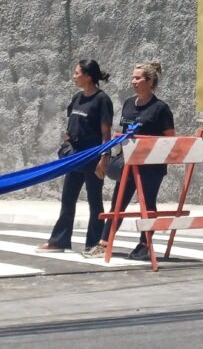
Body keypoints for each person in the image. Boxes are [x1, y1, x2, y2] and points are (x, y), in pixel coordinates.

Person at [84, 63, 174, 260]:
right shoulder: (128, 104)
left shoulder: (160, 109)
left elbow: (169, 140)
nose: (133, 81)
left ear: (150, 82)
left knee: (147, 205)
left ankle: (145, 244)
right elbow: (124, 134)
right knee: (117, 203)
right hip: (128, 164)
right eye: (133, 77)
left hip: (151, 168)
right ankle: (104, 242)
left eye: (138, 78)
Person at [37, 60, 114, 253]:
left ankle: (94, 244)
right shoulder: (77, 98)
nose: (74, 76)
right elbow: (71, 126)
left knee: (95, 201)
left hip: (93, 157)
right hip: (74, 158)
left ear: (88, 76)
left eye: (77, 73)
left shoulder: (102, 100)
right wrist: (66, 145)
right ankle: (59, 241)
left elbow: (106, 134)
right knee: (68, 198)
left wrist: (104, 158)